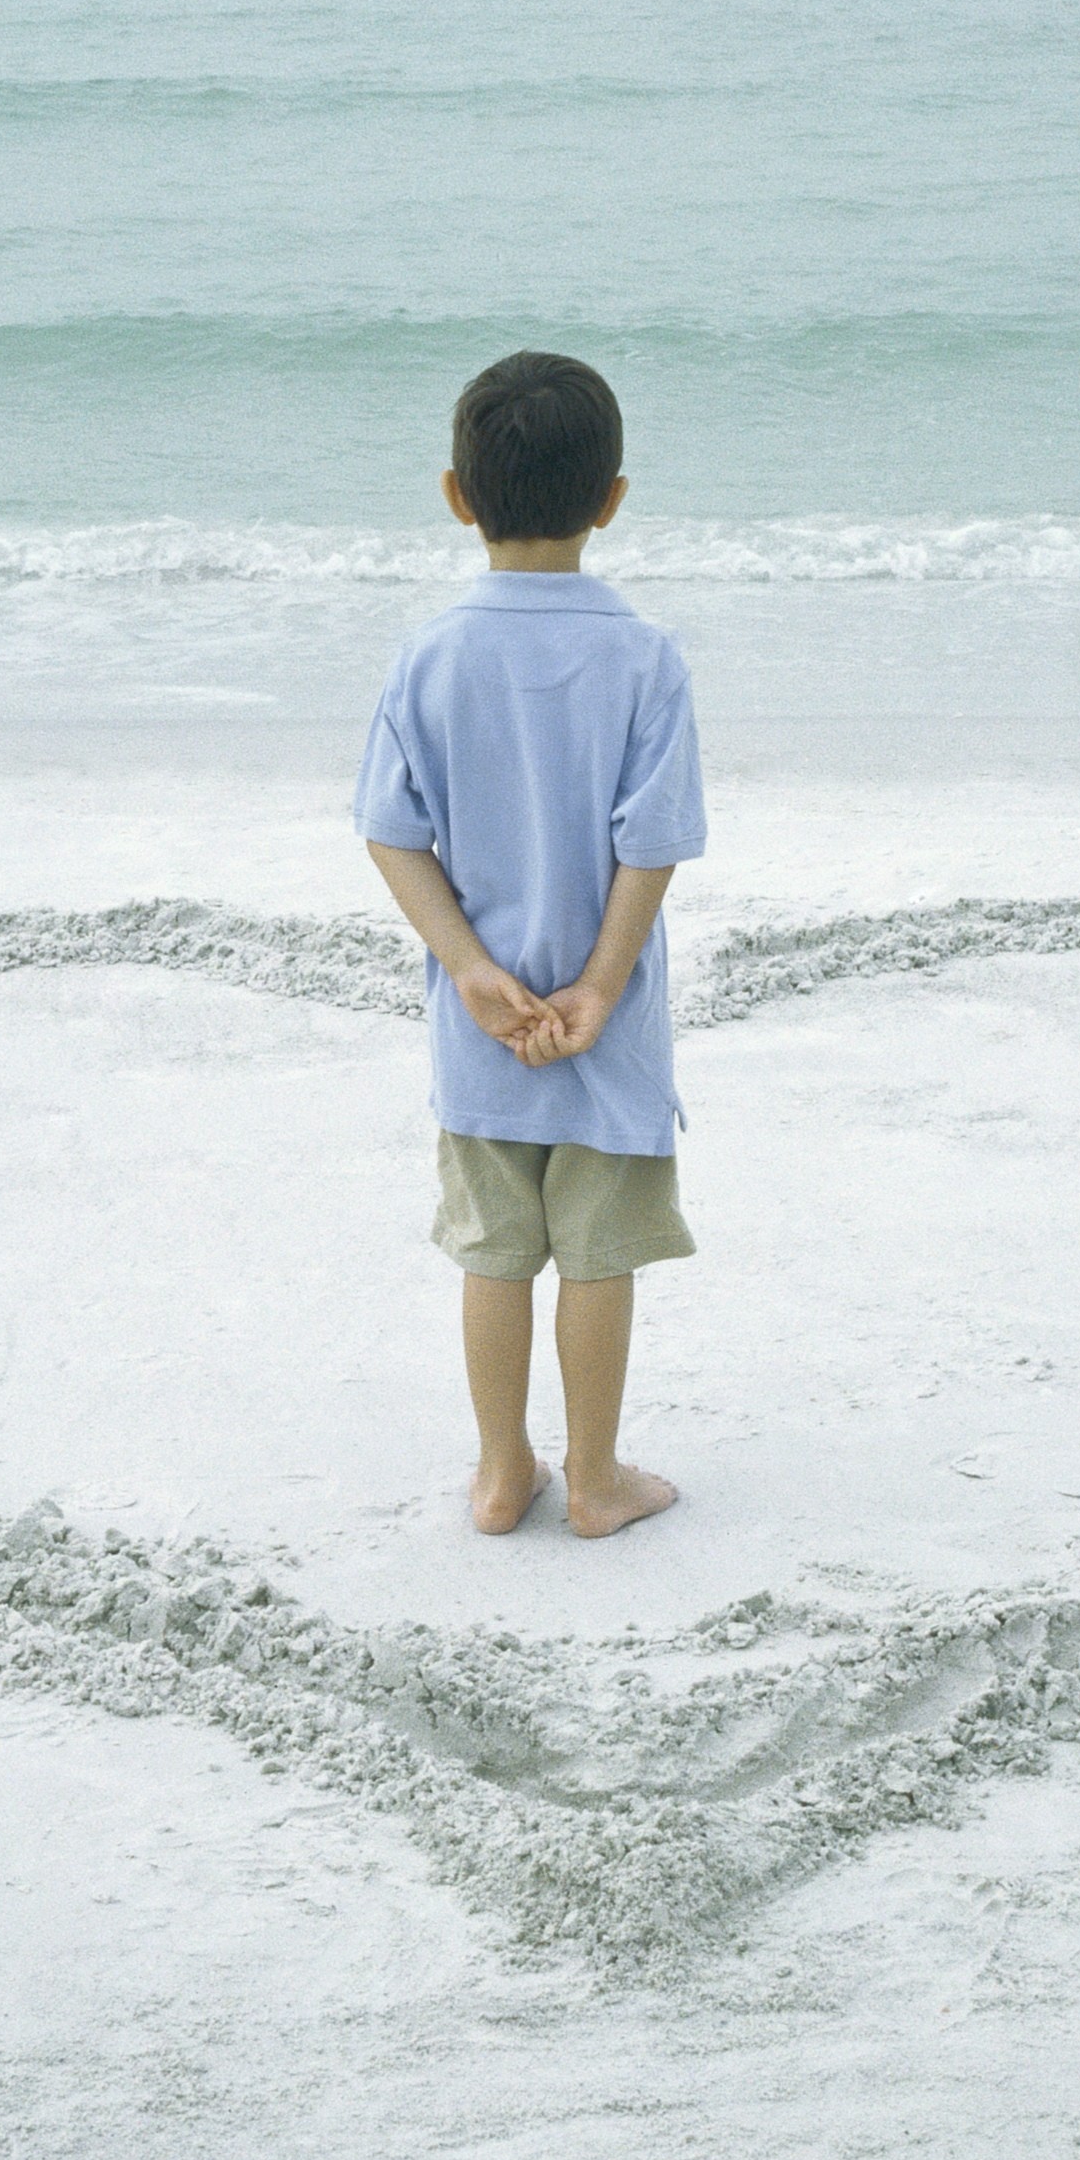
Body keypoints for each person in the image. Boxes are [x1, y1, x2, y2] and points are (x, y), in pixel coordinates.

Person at [355, 350, 705, 1540]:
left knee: (494, 1256)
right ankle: (594, 1479)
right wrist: (599, 986)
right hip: (605, 1027)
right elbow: (652, 842)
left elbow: (391, 833)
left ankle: (502, 1472)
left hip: (483, 1027)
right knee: (599, 1256)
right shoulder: (644, 656)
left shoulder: (429, 654)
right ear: (611, 499)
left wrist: (469, 969)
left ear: (457, 496)